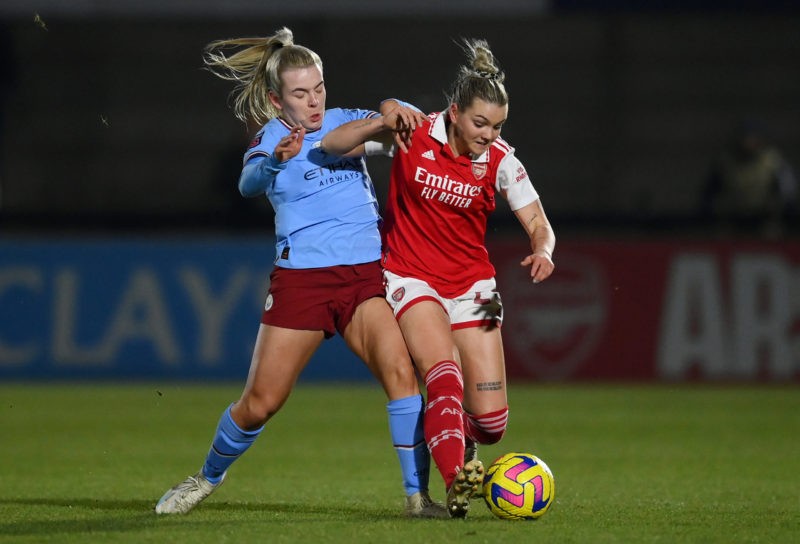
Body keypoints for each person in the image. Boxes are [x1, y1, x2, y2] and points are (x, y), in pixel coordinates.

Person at [154, 27, 445, 518]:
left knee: (402, 375)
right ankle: (206, 478)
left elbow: (371, 135)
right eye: (300, 93)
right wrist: (274, 163)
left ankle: (418, 497)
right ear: (276, 98)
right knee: (261, 403)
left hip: (364, 278)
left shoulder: (345, 121)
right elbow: (248, 184)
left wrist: (393, 107)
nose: (313, 101)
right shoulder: (269, 139)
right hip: (303, 280)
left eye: (319, 88)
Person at [321, 38, 556, 518]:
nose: (489, 134)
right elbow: (332, 144)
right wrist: (384, 117)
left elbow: (538, 221)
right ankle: (456, 482)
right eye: (480, 123)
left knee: (492, 423)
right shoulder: (414, 133)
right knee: (442, 376)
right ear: (454, 112)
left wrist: (543, 250)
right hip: (412, 279)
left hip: (478, 290)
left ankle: (462, 445)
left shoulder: (501, 159)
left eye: (498, 126)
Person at [702, 117, 798, 238]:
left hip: (764, 218)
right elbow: (708, 194)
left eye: (753, 138)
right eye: (746, 137)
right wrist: (715, 220)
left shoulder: (773, 161)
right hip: (733, 218)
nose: (749, 142)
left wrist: (781, 221)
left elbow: (788, 194)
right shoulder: (726, 161)